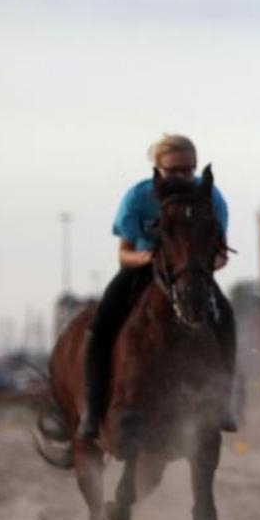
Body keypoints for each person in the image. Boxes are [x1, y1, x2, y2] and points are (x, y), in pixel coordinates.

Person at [76, 134, 238, 441]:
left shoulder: (211, 198)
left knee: (226, 317)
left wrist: (200, 267)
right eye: (173, 170)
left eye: (188, 170)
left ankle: (224, 404)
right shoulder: (137, 198)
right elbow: (123, 254)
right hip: (142, 269)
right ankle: (93, 410)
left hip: (191, 274)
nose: (182, 176)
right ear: (157, 169)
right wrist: (149, 257)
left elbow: (221, 253)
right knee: (101, 323)